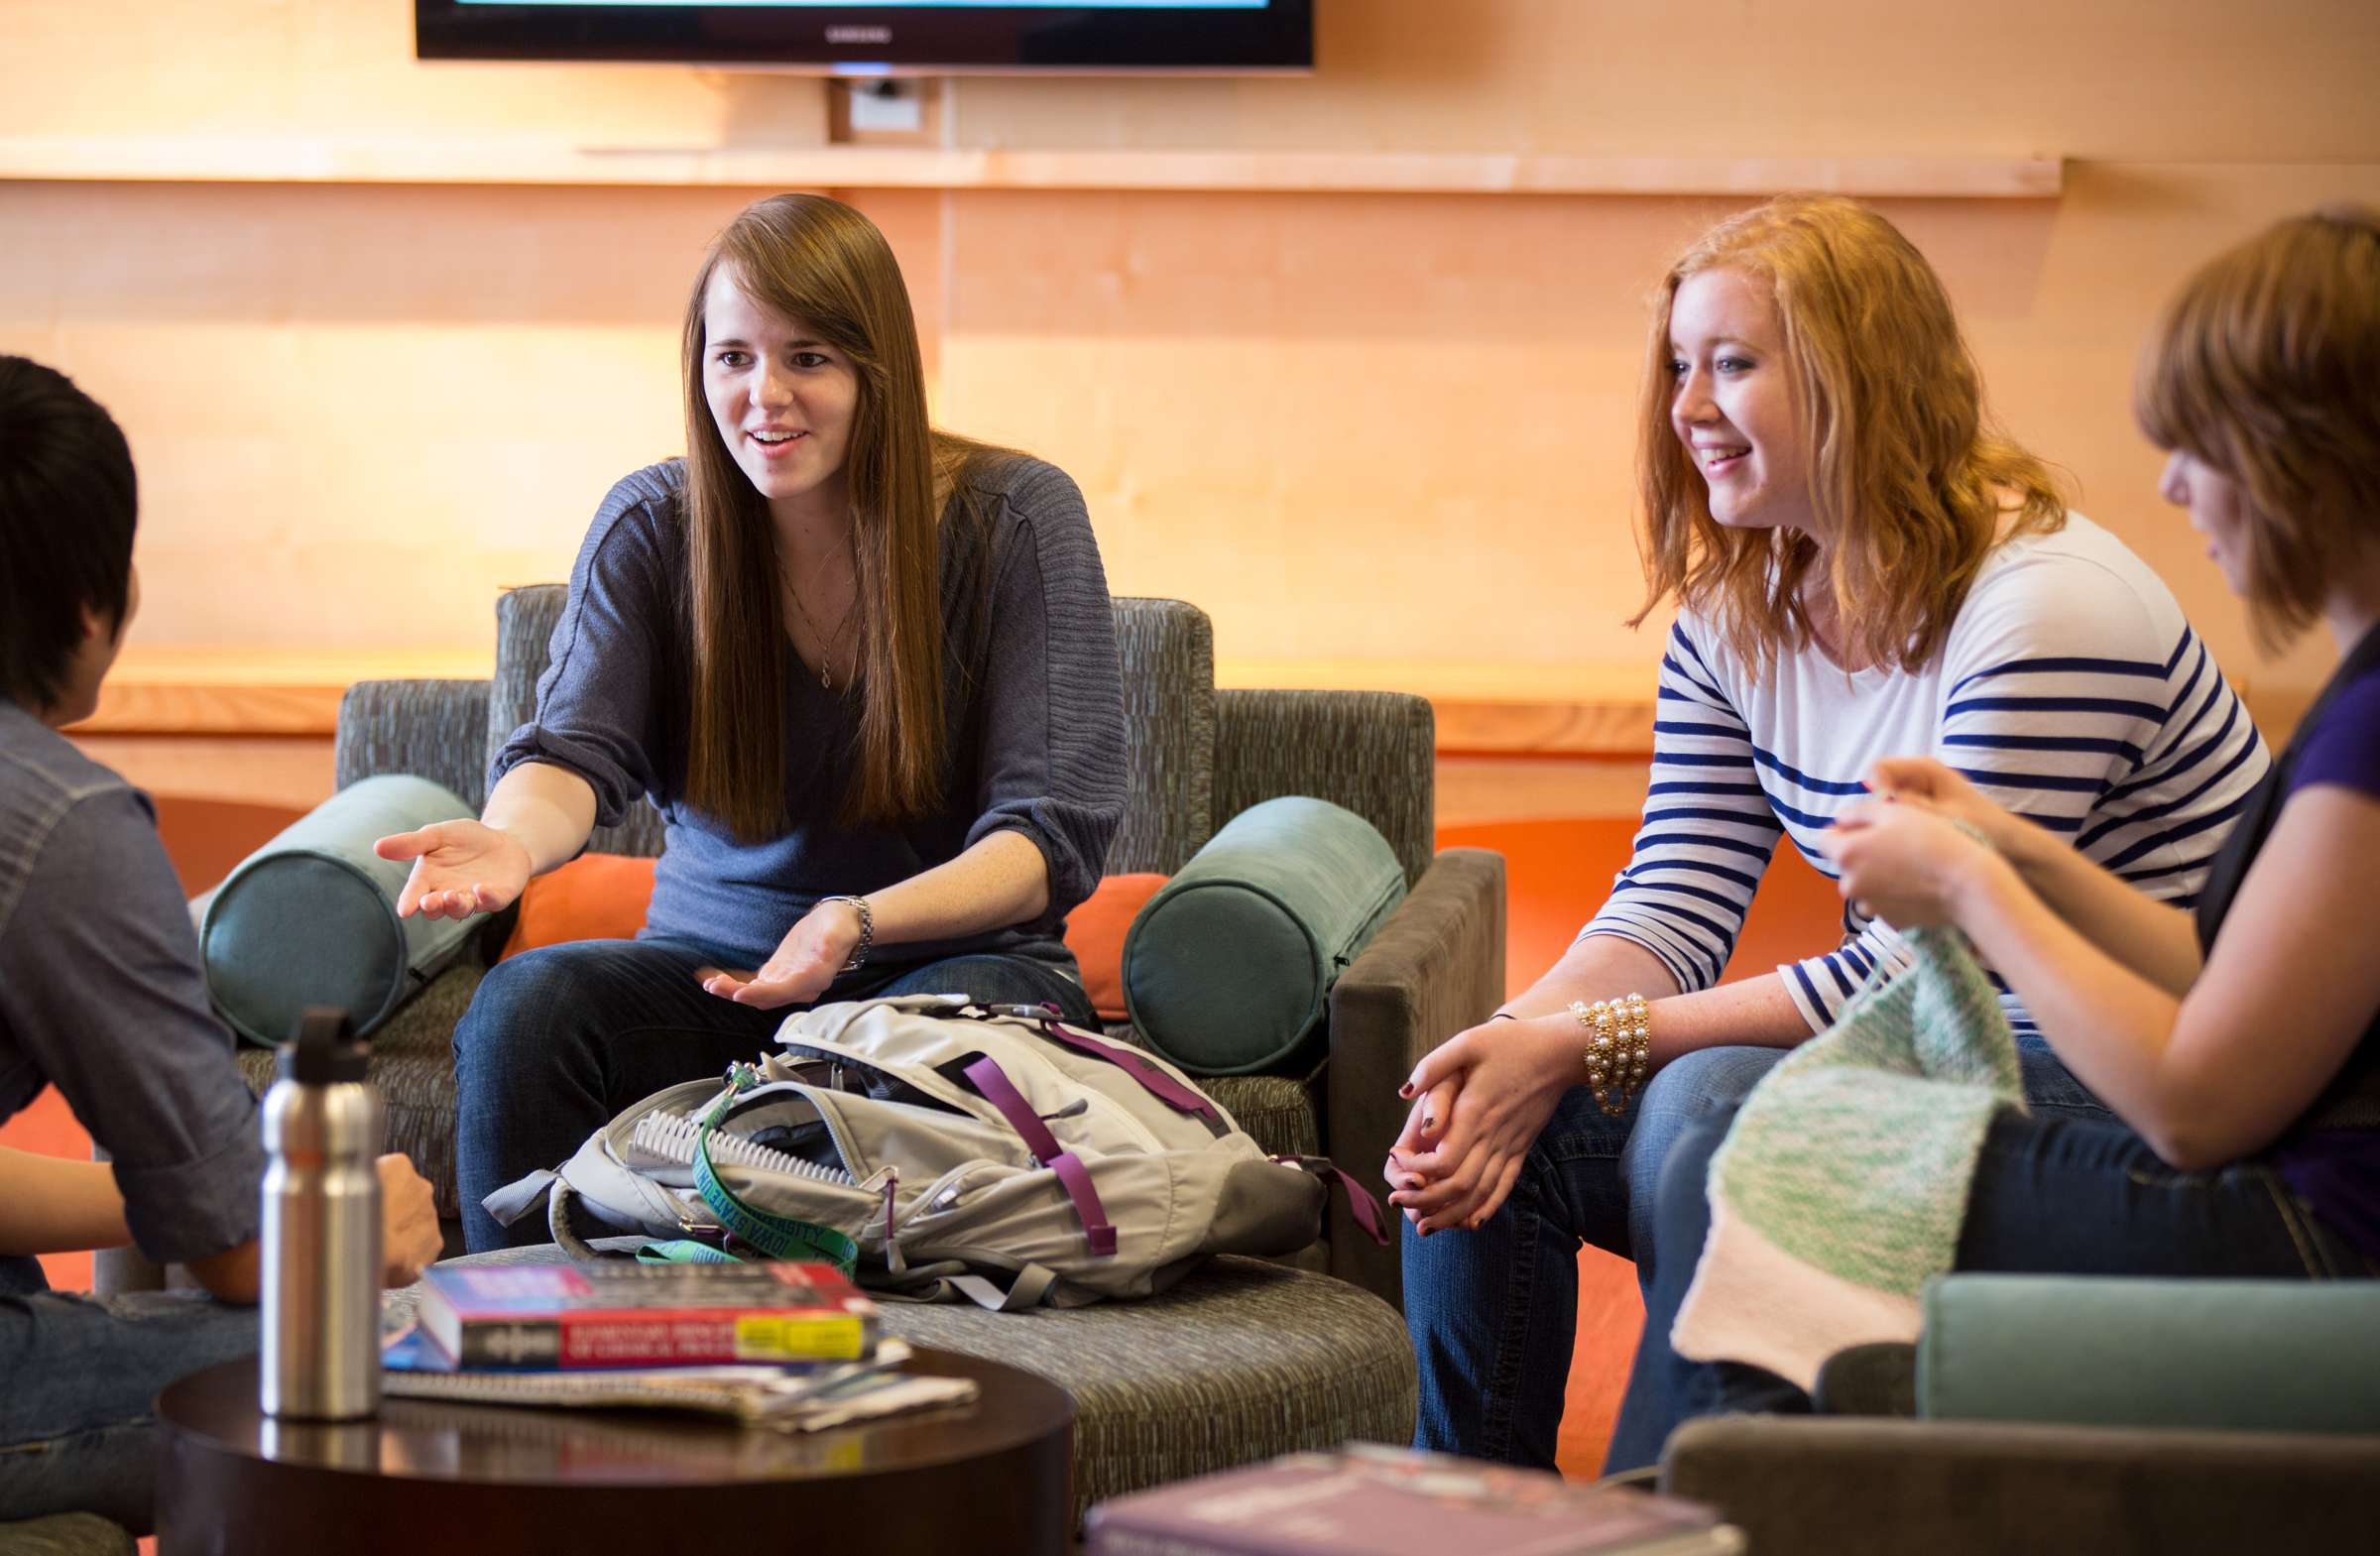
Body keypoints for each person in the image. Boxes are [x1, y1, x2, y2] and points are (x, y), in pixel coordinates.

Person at [1388, 194, 2273, 1468]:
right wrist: (1517, 1041)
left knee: (1709, 1097)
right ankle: (1465, 1521)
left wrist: (1593, 1041)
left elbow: (1935, 968)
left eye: (1735, 363)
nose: (1687, 406)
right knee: (1476, 1111)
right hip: (1921, 1046)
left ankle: (1675, 1518)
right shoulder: (1735, 609)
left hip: (2122, 1069)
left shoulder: (2047, 604)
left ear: (1863, 380)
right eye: (1680, 365)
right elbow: (1676, 899)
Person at [1609, 204, 2380, 1469]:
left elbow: (2196, 1108)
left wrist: (1973, 886)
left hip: (2313, 1222)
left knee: (1742, 1134)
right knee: (1660, 1119)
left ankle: (1666, 1524)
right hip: (2281, 1169)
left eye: (2201, 448)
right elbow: (2210, 962)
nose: (2176, 487)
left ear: (2313, 457)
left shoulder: (2349, 725)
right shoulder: (2359, 704)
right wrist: (2008, 851)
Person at [374, 193, 1129, 1253]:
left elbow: (1046, 842)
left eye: (807, 358)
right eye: (731, 358)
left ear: (878, 370)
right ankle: (529, 1353)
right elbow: (571, 757)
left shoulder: (1014, 518)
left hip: (952, 974)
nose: (763, 396)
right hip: (715, 971)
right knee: (525, 1006)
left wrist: (854, 922)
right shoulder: (654, 523)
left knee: (898, 1052)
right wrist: (512, 838)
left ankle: (857, 1363)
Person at [0, 356, 443, 1531]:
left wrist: (148, 1197)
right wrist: (345, 1215)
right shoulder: (62, 826)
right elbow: (247, 1261)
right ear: (99, 603)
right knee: (424, 1349)